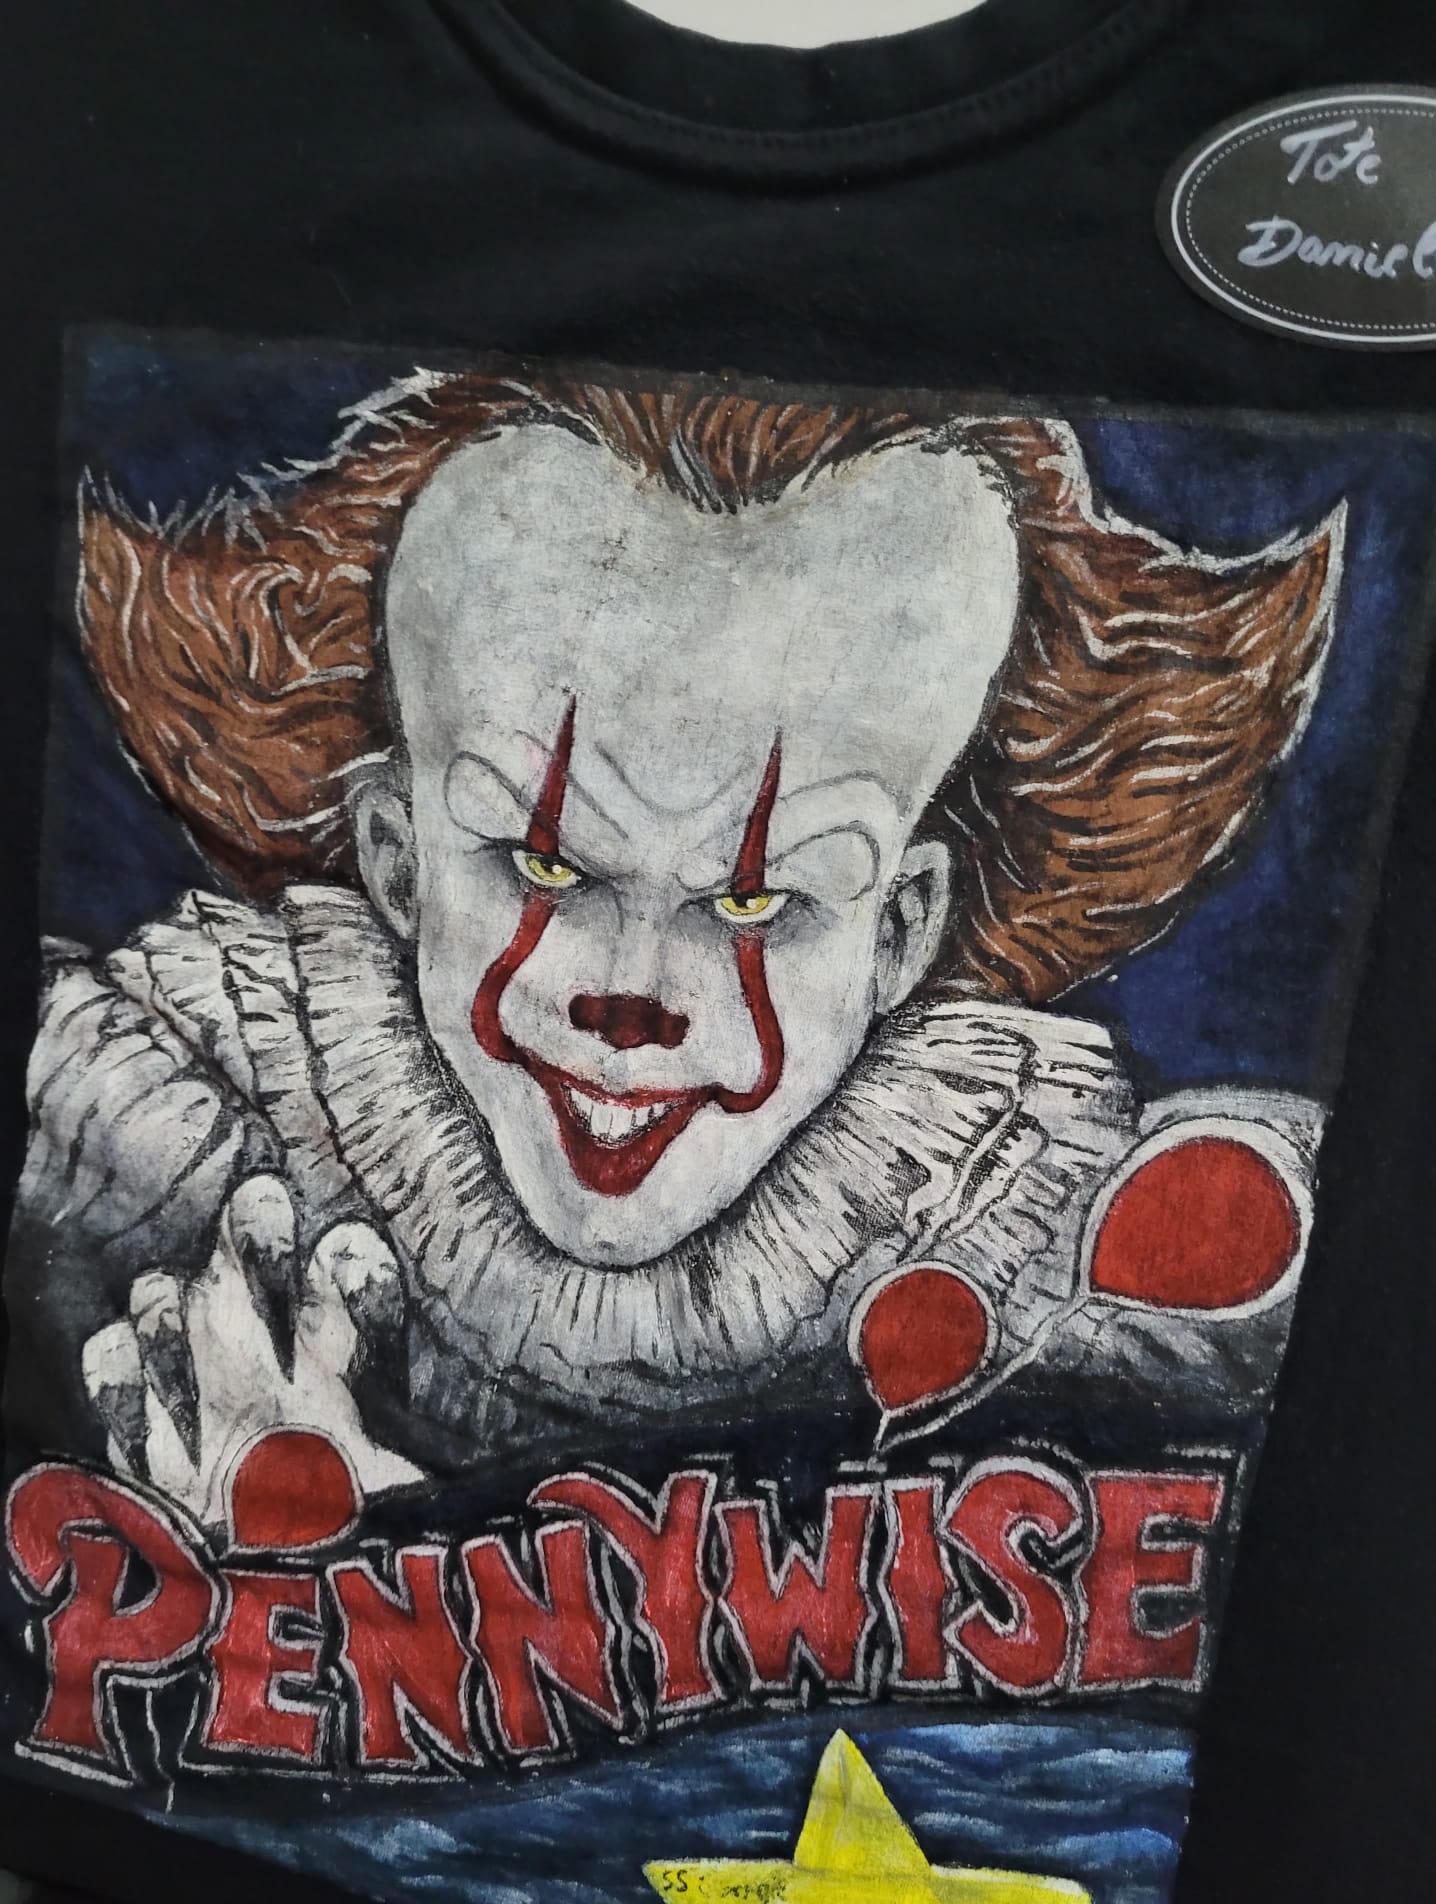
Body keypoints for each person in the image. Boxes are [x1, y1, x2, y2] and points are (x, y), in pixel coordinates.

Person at [7, 369, 1339, 1509]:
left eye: (756, 902)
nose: (632, 999)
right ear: (396, 866)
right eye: (543, 864)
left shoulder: (1025, 1203)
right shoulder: (185, 1087)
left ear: (901, 934)